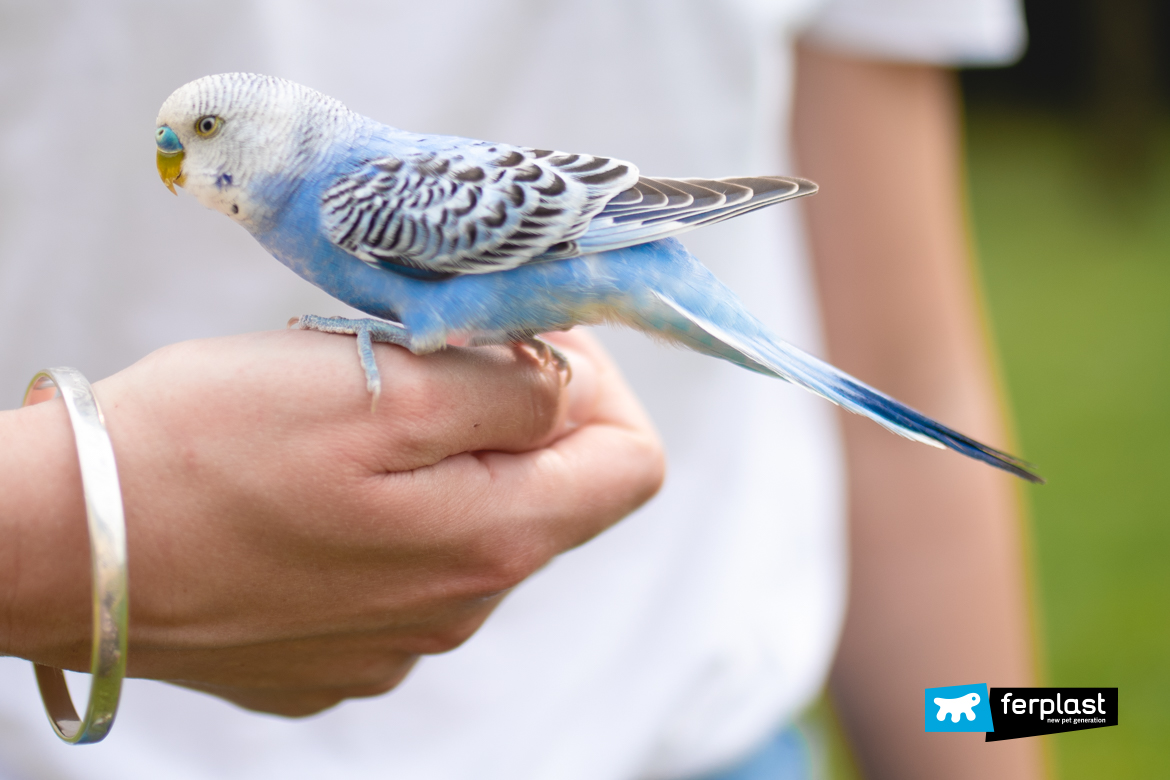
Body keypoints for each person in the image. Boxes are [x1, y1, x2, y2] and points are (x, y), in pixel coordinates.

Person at [0, 1, 1042, 778]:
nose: (182, 155)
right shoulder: (315, 202)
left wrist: (1031, 720)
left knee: (886, 409)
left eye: (212, 132)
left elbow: (914, 378)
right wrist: (56, 536)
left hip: (709, 737)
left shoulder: (351, 196)